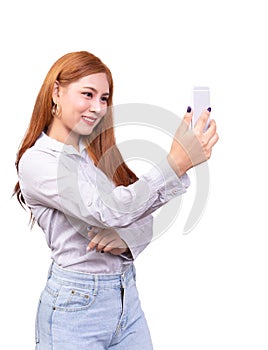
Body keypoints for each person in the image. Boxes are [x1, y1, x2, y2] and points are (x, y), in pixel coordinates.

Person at [14, 51, 218, 350]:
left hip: (126, 298)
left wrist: (126, 236)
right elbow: (111, 211)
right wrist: (175, 163)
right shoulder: (38, 162)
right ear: (56, 92)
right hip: (76, 307)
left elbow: (139, 214)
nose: (97, 107)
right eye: (88, 94)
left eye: (104, 98)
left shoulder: (94, 155)